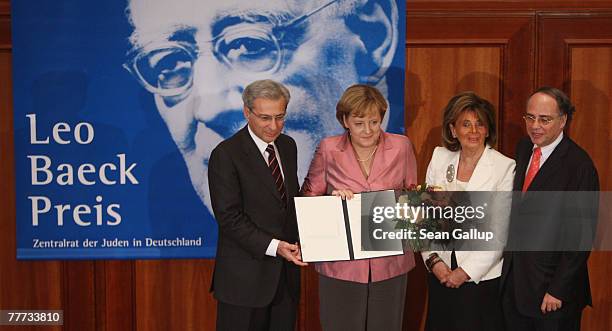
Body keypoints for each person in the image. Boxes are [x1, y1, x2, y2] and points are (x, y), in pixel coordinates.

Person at [124, 0, 402, 213]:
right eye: (169, 63)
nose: (208, 108)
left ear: (370, 33)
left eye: (250, 44)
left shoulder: (400, 155)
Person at [301, 84, 416, 330]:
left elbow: (413, 195)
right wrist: (332, 199)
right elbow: (308, 198)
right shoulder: (329, 149)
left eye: (374, 122)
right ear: (345, 120)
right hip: (341, 264)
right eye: (359, 122)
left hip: (390, 262)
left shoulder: (402, 146)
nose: (368, 130)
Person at [207, 80, 307, 330]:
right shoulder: (226, 154)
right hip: (244, 282)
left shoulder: (288, 146)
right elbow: (229, 217)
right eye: (265, 117)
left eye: (280, 117)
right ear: (246, 112)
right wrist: (276, 247)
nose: (274, 126)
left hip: (285, 280)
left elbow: (289, 203)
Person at [500, 87, 599, 331]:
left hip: (552, 297)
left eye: (544, 119)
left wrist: (557, 290)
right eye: (530, 117)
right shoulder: (524, 149)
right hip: (516, 287)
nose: (535, 125)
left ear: (563, 120)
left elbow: (581, 238)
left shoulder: (579, 166)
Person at [421, 92, 515, 331]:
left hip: (479, 278)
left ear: (487, 129)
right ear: (453, 130)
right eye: (466, 124)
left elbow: (499, 232)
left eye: (479, 124)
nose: (473, 131)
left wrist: (465, 272)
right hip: (440, 271)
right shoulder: (439, 158)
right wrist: (434, 263)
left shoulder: (504, 167)